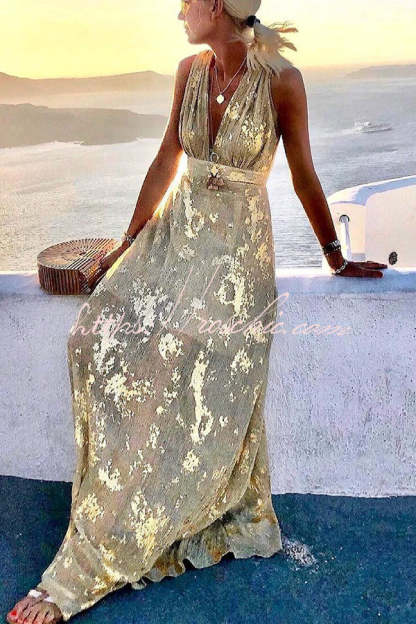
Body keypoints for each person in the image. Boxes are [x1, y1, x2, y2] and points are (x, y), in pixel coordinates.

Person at [7, 0, 388, 622]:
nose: (179, 11)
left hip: (237, 252)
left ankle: (145, 521)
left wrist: (335, 257)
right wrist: (127, 244)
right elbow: (167, 159)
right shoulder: (189, 71)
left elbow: (302, 174)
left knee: (187, 347)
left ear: (216, 6)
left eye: (188, 2)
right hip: (175, 237)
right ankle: (121, 495)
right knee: (93, 335)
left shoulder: (282, 82)